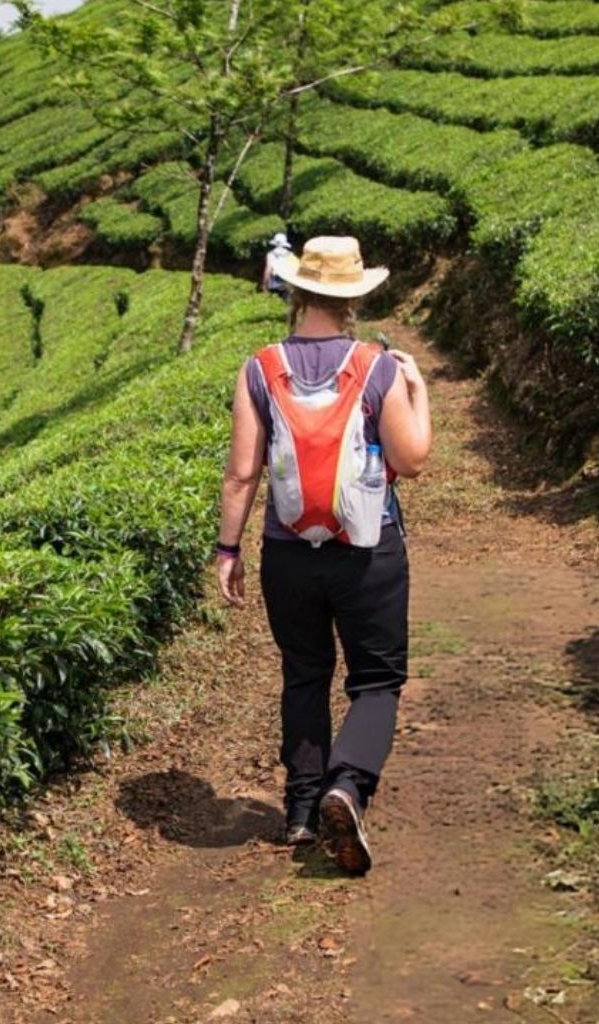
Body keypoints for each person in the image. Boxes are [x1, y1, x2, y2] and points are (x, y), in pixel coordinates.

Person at [215, 236, 434, 876]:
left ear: (296, 290)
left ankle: (303, 810)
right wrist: (419, 392)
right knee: (376, 679)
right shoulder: (378, 367)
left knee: (304, 672)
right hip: (368, 552)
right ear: (354, 297)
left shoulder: (260, 367)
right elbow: (412, 459)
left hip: (289, 553)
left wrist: (228, 549)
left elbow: (240, 474)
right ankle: (350, 784)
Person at [261, 232, 294, 301]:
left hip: (274, 281)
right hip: (287, 280)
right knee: (287, 303)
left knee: (275, 303)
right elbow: (292, 270)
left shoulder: (270, 254)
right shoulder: (290, 254)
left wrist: (264, 284)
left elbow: (268, 270)